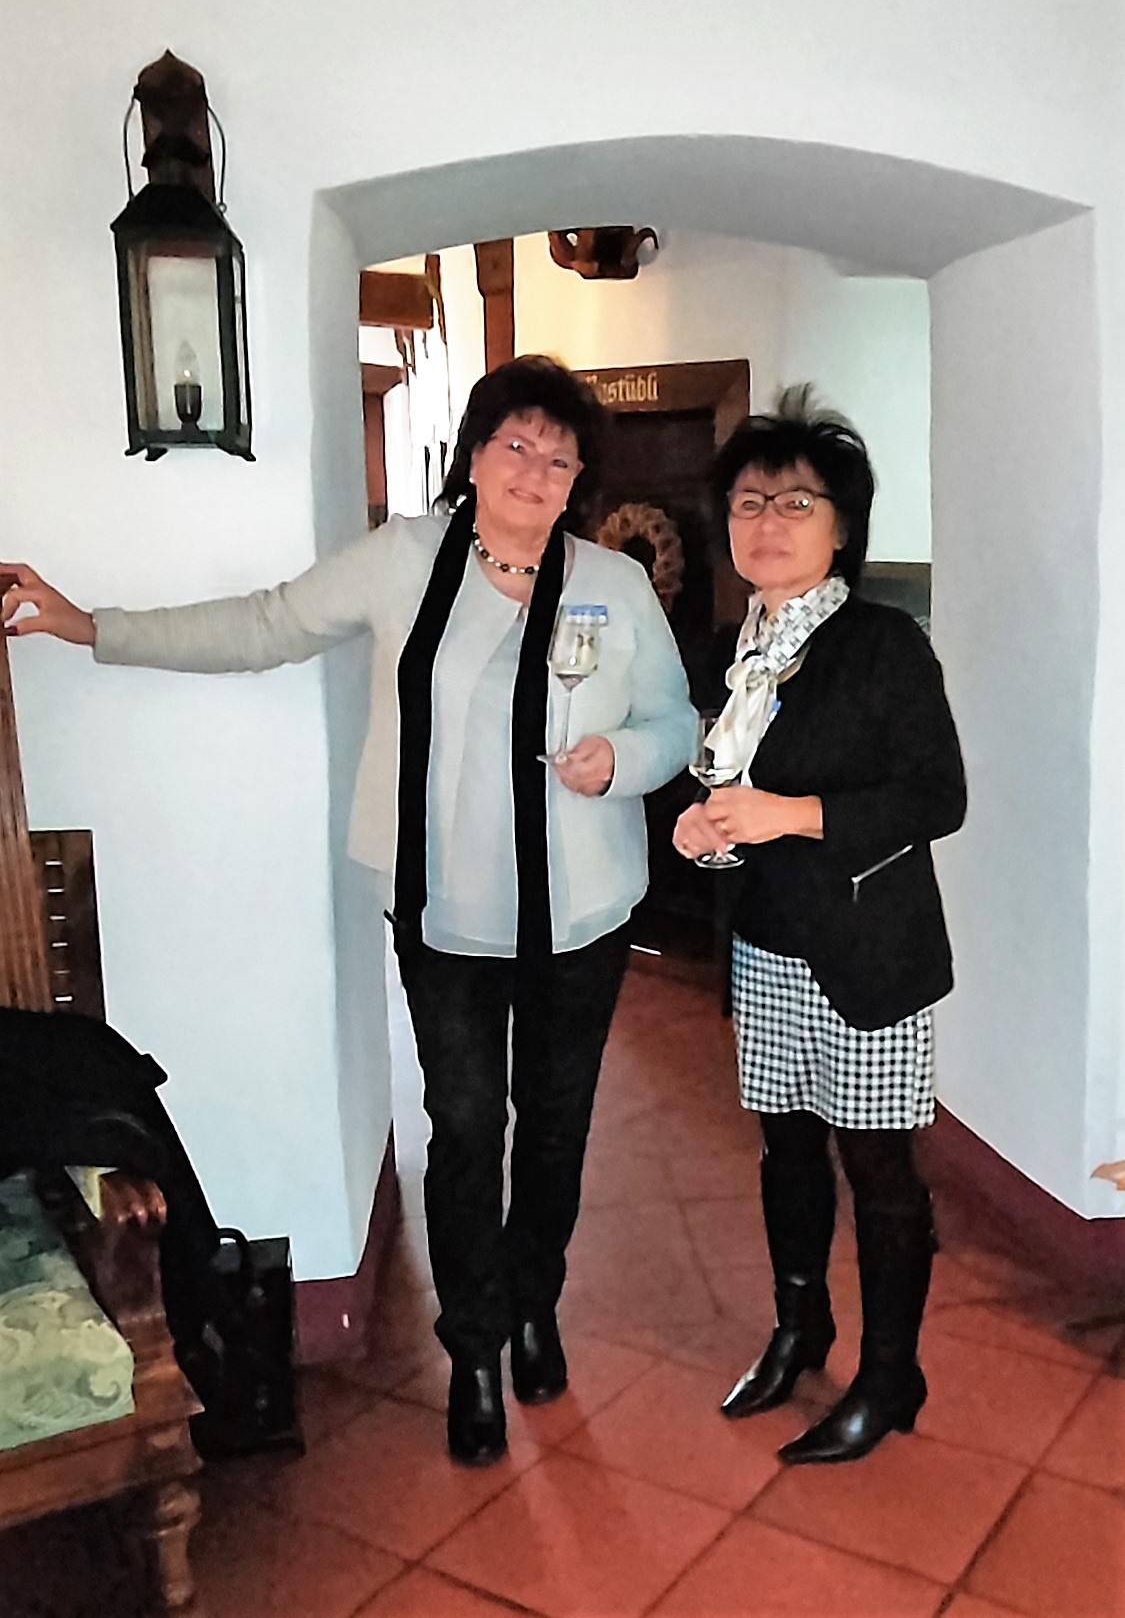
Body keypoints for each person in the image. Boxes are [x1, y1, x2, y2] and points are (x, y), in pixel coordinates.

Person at [2, 355, 697, 1468]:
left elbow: (676, 724)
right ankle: (474, 1350)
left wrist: (623, 756)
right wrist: (92, 627)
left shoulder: (612, 584)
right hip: (444, 916)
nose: (535, 471)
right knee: (464, 1131)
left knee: (557, 1129)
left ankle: (535, 1306)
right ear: (475, 456)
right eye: (516, 445)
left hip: (582, 917)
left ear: (579, 482)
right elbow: (264, 624)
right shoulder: (403, 559)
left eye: (560, 458)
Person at [674, 386, 966, 1464]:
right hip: (766, 944)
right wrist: (701, 827)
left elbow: (937, 797)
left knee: (878, 1169)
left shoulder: (882, 643)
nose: (768, 523)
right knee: (786, 1149)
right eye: (749, 503)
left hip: (868, 952)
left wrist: (790, 814)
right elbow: (718, 782)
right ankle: (800, 1329)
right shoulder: (733, 649)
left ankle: (891, 1374)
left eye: (796, 502)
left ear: (842, 527)